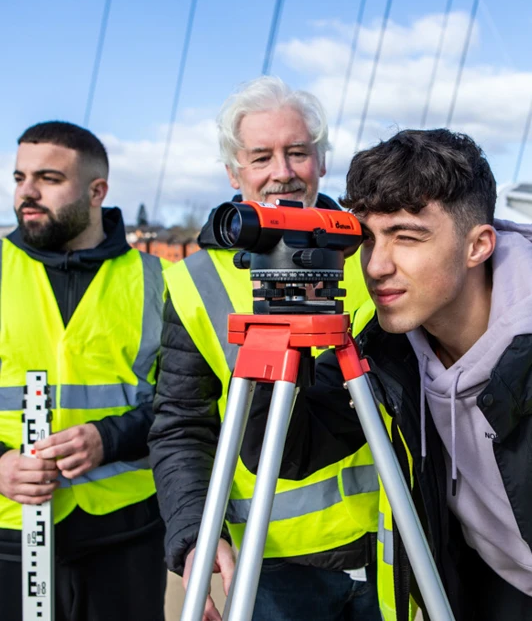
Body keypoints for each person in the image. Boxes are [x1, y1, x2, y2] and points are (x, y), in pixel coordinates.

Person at [242, 127, 532, 620]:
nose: (375, 266)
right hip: (492, 586)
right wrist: (282, 333)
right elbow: (291, 450)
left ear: (478, 245)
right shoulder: (385, 350)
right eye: (368, 238)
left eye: (406, 236)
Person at [148, 76, 381, 621]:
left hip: (390, 545)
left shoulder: (375, 251)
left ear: (321, 162)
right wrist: (193, 538)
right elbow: (182, 423)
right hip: (269, 565)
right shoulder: (195, 281)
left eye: (297, 152)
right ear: (235, 173)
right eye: (261, 157)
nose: (283, 171)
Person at [0, 121, 169, 621]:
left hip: (127, 533)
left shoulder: (156, 280)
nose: (27, 192)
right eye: (19, 177)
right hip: (10, 529)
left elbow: (188, 403)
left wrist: (109, 439)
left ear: (97, 191)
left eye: (49, 179)